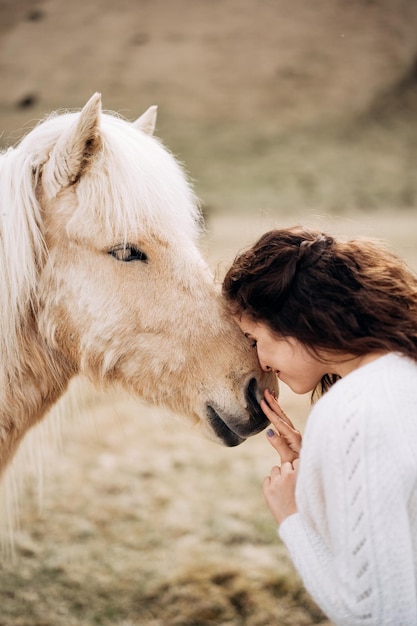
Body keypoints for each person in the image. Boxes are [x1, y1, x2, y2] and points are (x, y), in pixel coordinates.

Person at [222, 225, 417, 625]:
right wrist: (322, 465)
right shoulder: (403, 372)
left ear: (295, 321)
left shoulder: (354, 409)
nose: (259, 361)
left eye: (254, 338)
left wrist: (291, 515)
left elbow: (374, 612)